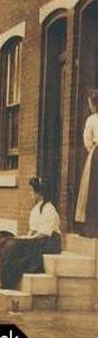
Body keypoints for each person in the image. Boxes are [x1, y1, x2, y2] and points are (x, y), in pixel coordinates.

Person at [0, 177, 61, 290]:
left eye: (32, 190)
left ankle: (9, 282)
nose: (31, 193)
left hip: (48, 243)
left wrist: (27, 240)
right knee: (6, 242)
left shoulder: (49, 210)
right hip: (37, 240)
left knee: (14, 248)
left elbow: (44, 234)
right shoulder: (36, 208)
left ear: (40, 193)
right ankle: (5, 281)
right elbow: (32, 230)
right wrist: (24, 238)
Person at [75, 89, 98, 237]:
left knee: (92, 190)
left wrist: (93, 149)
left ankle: (92, 228)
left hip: (96, 154)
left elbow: (87, 141)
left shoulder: (91, 120)